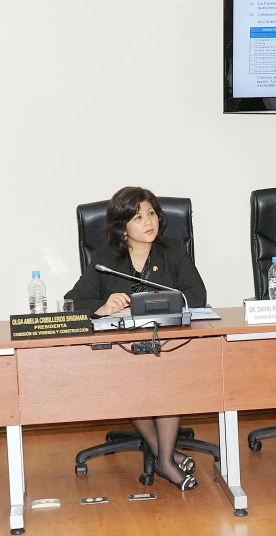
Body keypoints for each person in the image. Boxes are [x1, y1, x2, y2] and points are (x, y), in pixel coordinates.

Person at [65, 187, 206, 491]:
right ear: (122, 226)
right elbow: (72, 302)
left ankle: (164, 459)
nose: (148, 222)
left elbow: (196, 295)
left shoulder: (174, 250)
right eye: (138, 217)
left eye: (152, 213)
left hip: (167, 346)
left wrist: (161, 301)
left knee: (163, 377)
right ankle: (165, 457)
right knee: (129, 379)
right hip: (122, 351)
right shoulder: (104, 258)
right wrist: (101, 307)